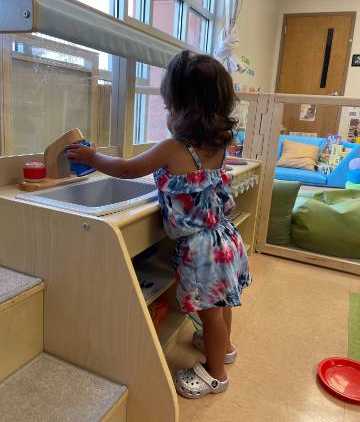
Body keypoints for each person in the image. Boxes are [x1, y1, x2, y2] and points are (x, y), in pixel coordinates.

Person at [66, 51, 251, 399]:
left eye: (168, 108)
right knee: (223, 303)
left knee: (210, 312)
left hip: (201, 248)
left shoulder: (172, 148)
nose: (166, 115)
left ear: (187, 109)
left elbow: (126, 168)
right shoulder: (219, 144)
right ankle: (223, 348)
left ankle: (216, 375)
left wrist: (91, 157)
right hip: (225, 237)